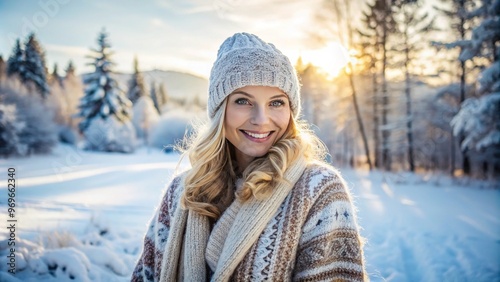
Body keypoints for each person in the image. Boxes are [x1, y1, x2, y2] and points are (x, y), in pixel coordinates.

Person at [132, 32, 366, 282]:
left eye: (276, 103)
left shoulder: (318, 191)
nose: (261, 120)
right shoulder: (182, 192)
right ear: (221, 109)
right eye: (243, 101)